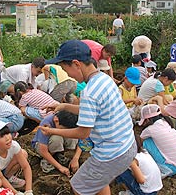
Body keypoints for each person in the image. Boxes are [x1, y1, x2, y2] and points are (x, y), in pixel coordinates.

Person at [40, 40, 136, 195]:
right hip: (127, 146)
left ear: (77, 64)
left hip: (111, 154)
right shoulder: (105, 79)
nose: (67, 75)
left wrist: (53, 131)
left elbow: (83, 133)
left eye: (65, 69)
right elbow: (92, 111)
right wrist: (64, 106)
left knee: (78, 187)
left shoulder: (89, 92)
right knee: (98, 183)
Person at [138, 104, 176, 178]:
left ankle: (161, 168)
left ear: (147, 120)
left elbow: (139, 142)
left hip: (173, 168)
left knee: (146, 142)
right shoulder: (166, 123)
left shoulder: (150, 129)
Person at [31, 110, 78, 175]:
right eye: (62, 129)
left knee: (73, 137)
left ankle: (61, 154)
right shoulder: (46, 123)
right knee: (56, 139)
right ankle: (46, 161)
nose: (64, 131)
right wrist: (60, 167)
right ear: (56, 120)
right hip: (41, 146)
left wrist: (75, 158)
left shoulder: (70, 118)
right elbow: (43, 150)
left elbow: (82, 139)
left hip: (56, 143)